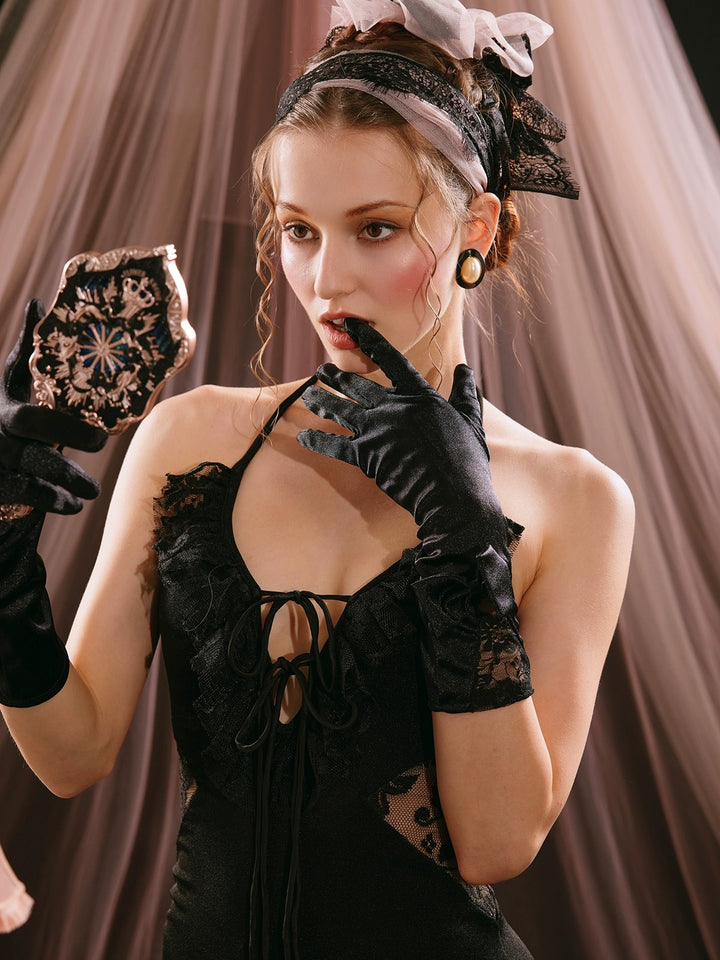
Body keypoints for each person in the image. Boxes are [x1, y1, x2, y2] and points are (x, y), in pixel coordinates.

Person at [0, 1, 635, 958]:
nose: (326, 280)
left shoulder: (574, 499)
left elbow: (497, 843)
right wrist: (3, 571)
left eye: (376, 229)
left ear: (478, 226)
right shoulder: (189, 439)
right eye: (299, 230)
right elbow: (73, 753)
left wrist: (464, 535)